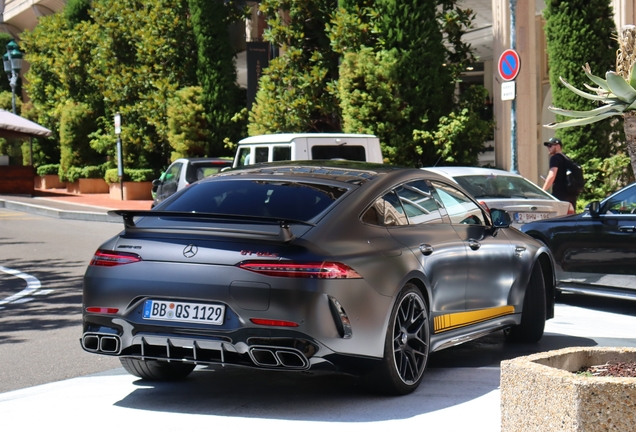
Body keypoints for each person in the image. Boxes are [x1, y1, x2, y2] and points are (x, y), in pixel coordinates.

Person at [541, 137, 577, 208]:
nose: (548, 148)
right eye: (548, 146)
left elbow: (552, 175)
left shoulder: (555, 158)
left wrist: (542, 191)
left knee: (558, 217)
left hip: (560, 195)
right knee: (570, 217)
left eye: (550, 146)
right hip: (571, 195)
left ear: (557, 146)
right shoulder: (567, 159)